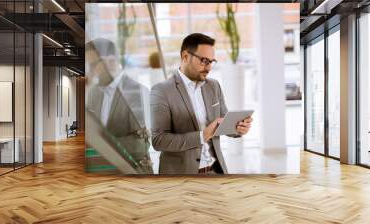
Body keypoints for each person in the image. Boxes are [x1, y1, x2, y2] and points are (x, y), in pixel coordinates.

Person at [150, 33, 253, 174]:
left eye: (211, 61)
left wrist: (238, 128)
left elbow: (223, 122)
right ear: (185, 56)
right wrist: (202, 135)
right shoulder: (161, 91)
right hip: (181, 177)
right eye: (204, 60)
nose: (209, 67)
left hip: (216, 171)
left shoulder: (213, 86)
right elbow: (159, 140)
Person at [85, 38, 153, 174]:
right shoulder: (93, 91)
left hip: (131, 171)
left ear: (111, 61)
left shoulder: (137, 92)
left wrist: (100, 146)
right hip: (101, 172)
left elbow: (141, 144)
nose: (90, 71)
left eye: (93, 65)